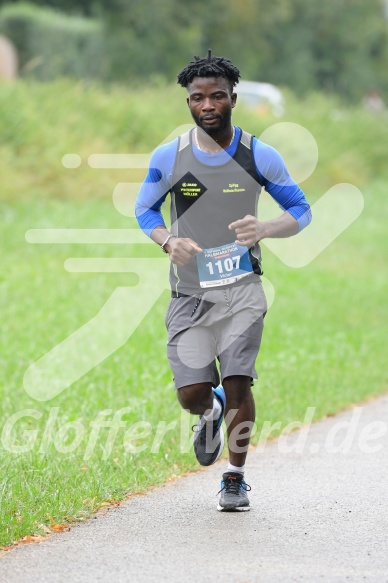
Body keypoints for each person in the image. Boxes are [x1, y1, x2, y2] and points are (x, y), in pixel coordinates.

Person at [135, 51, 312, 511]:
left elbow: (301, 210)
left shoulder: (259, 154)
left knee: (238, 382)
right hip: (189, 291)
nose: (207, 105)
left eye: (217, 96)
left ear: (233, 98)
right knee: (192, 394)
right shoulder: (169, 156)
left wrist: (266, 228)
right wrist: (166, 241)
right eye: (197, 98)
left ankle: (234, 477)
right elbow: (145, 210)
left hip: (242, 290)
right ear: (189, 103)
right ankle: (209, 412)